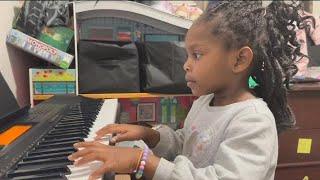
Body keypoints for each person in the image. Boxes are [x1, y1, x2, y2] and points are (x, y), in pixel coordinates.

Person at [68, 1, 313, 180]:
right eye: (187, 55)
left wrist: (140, 162)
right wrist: (148, 134)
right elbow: (188, 143)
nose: (186, 64)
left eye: (197, 54)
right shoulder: (205, 101)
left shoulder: (253, 120)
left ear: (239, 60)